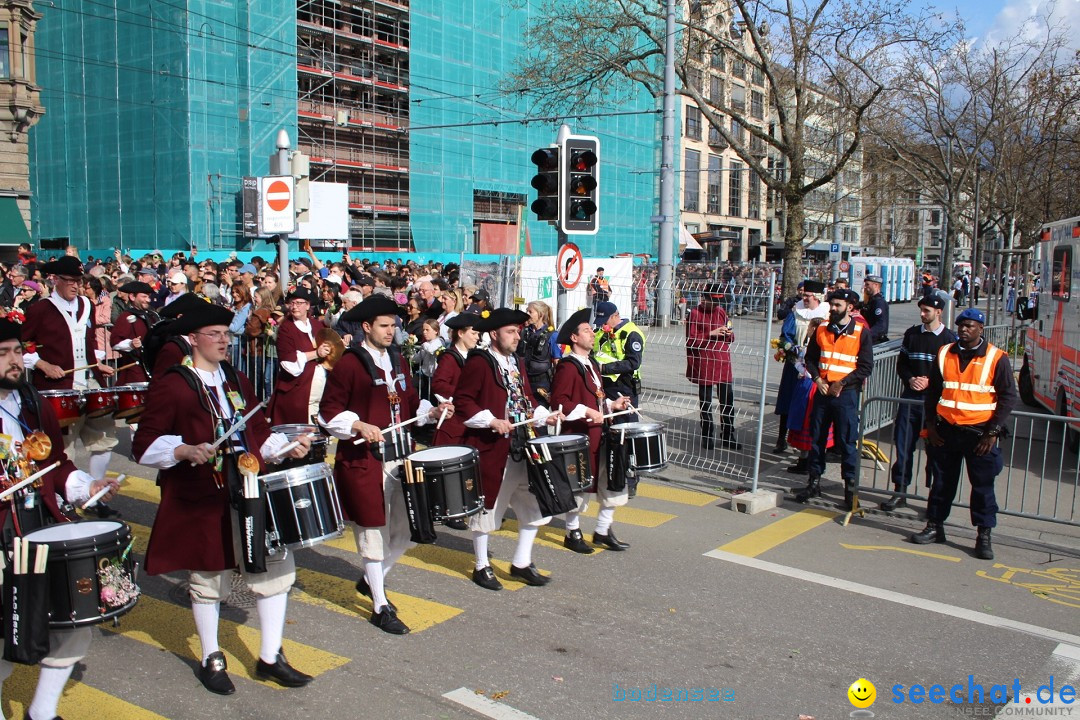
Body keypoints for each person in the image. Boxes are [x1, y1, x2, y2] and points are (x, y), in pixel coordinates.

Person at [132, 302, 314, 695]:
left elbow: (258, 429)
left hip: (248, 487)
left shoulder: (234, 377)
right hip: (201, 493)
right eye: (214, 335)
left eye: (226, 334)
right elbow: (143, 444)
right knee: (209, 576)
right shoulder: (173, 383)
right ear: (193, 339)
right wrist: (182, 451)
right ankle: (212, 657)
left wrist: (286, 448)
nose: (224, 341)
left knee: (273, 569)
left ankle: (270, 657)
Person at [0, 315, 121, 720]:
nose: (14, 361)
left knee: (72, 622)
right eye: (3, 354)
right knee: (4, 635)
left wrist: (84, 485)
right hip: (2, 531)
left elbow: (56, 464)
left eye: (17, 351)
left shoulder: (32, 401)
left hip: (40, 527)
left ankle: (42, 711)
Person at [318, 295, 450, 634]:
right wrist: (358, 424)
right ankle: (380, 605)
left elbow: (406, 402)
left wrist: (429, 411)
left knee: (407, 528)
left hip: (400, 455)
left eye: (394, 325)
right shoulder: (349, 363)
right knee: (373, 532)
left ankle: (370, 580)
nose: (392, 331)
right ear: (366, 327)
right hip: (365, 460)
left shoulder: (397, 359)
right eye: (384, 325)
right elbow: (328, 413)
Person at [455, 308, 562, 591]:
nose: (517, 336)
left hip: (525, 444)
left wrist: (544, 415)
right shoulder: (479, 362)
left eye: (518, 331)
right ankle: (481, 565)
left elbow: (525, 398)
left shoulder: (517, 361)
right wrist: (490, 420)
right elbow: (463, 401)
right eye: (511, 332)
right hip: (493, 447)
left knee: (534, 505)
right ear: (494, 334)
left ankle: (522, 562)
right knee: (488, 507)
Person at [910, 308, 1018, 560]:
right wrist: (932, 426)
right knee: (942, 483)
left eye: (970, 326)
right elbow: (933, 392)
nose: (963, 329)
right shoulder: (945, 352)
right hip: (946, 431)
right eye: (960, 325)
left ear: (981, 328)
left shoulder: (996, 357)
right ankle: (935, 526)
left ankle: (983, 535)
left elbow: (1008, 397)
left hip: (979, 434)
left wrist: (992, 432)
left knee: (982, 487)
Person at [21, 256, 120, 519]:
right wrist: (41, 364)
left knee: (103, 439)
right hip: (58, 387)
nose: (77, 286)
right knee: (62, 447)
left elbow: (86, 344)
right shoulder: (40, 310)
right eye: (71, 281)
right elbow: (22, 347)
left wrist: (98, 364)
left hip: (88, 382)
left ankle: (95, 493)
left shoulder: (87, 305)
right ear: (55, 280)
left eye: (79, 281)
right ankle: (61, 498)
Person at [549, 309, 632, 553]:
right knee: (580, 485)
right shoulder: (568, 366)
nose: (592, 334)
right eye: (586, 330)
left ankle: (603, 530)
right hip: (580, 435)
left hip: (601, 432)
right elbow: (559, 402)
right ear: (574, 338)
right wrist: (586, 411)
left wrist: (611, 405)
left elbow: (595, 398)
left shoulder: (592, 363)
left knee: (611, 481)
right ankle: (572, 532)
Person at [796, 289, 874, 509]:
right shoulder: (822, 328)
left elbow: (866, 366)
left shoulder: (861, 332)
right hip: (823, 391)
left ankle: (850, 490)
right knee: (817, 438)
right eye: (832, 305)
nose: (833, 309)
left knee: (847, 441)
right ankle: (814, 482)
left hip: (845, 394)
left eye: (838, 305)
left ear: (850, 307)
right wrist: (818, 379)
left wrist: (843, 383)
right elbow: (810, 359)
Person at [881, 294, 956, 511]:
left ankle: (934, 498)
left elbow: (952, 373)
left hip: (935, 403)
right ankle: (900, 490)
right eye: (921, 310)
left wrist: (931, 382)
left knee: (935, 451)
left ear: (939, 312)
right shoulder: (912, 334)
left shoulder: (949, 339)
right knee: (903, 445)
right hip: (910, 398)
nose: (923, 314)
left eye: (927, 311)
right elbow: (902, 364)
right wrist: (911, 379)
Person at [773, 281, 829, 455]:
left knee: (811, 404)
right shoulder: (795, 312)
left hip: (817, 366)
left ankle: (807, 444)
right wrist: (791, 349)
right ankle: (782, 439)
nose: (803, 298)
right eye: (803, 295)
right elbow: (786, 334)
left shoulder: (826, 313)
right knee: (787, 400)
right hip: (795, 364)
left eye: (807, 295)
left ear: (817, 297)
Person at [268, 288, 331, 425]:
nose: (294, 306)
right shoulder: (286, 328)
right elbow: (287, 360)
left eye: (299, 303)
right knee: (302, 430)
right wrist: (315, 354)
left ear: (307, 305)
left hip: (319, 387)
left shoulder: (316, 324)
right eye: (292, 303)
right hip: (298, 389)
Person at [686, 283, 737, 450]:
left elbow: (731, 336)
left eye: (718, 302)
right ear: (704, 298)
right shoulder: (695, 313)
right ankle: (707, 435)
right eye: (713, 301)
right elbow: (691, 340)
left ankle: (728, 434)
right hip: (705, 362)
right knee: (706, 403)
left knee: (727, 401)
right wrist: (710, 334)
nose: (716, 305)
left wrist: (729, 334)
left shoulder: (721, 311)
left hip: (722, 361)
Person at [592, 301, 644, 419]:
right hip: (605, 383)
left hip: (625, 385)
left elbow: (633, 362)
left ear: (615, 316)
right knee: (607, 423)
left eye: (605, 320)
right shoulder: (600, 332)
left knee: (625, 424)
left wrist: (604, 368)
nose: (603, 324)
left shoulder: (632, 333)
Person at [110, 281, 158, 385]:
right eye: (144, 296)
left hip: (153, 370)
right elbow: (114, 342)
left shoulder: (152, 315)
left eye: (148, 297)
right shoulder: (125, 317)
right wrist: (131, 344)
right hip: (135, 372)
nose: (148, 300)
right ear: (132, 297)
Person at [518, 300, 561, 407]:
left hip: (541, 383)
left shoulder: (552, 335)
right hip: (523, 380)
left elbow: (557, 362)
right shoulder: (523, 332)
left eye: (530, 312)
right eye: (527, 311)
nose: (527, 314)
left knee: (539, 418)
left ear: (540, 314)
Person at [863, 274, 889, 344]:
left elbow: (881, 325)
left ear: (876, 285)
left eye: (867, 284)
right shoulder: (870, 301)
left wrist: (866, 335)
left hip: (875, 341)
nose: (865, 287)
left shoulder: (879, 302)